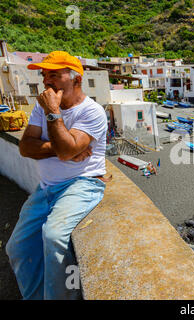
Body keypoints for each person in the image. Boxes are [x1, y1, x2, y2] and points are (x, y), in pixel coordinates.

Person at [6, 51, 108, 300]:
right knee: (17, 247)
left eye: (54, 74)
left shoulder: (91, 112)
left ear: (76, 80)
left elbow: (64, 150)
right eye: (44, 75)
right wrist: (64, 149)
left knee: (54, 237)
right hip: (47, 188)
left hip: (83, 185)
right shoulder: (42, 109)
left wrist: (54, 113)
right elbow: (25, 147)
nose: (46, 81)